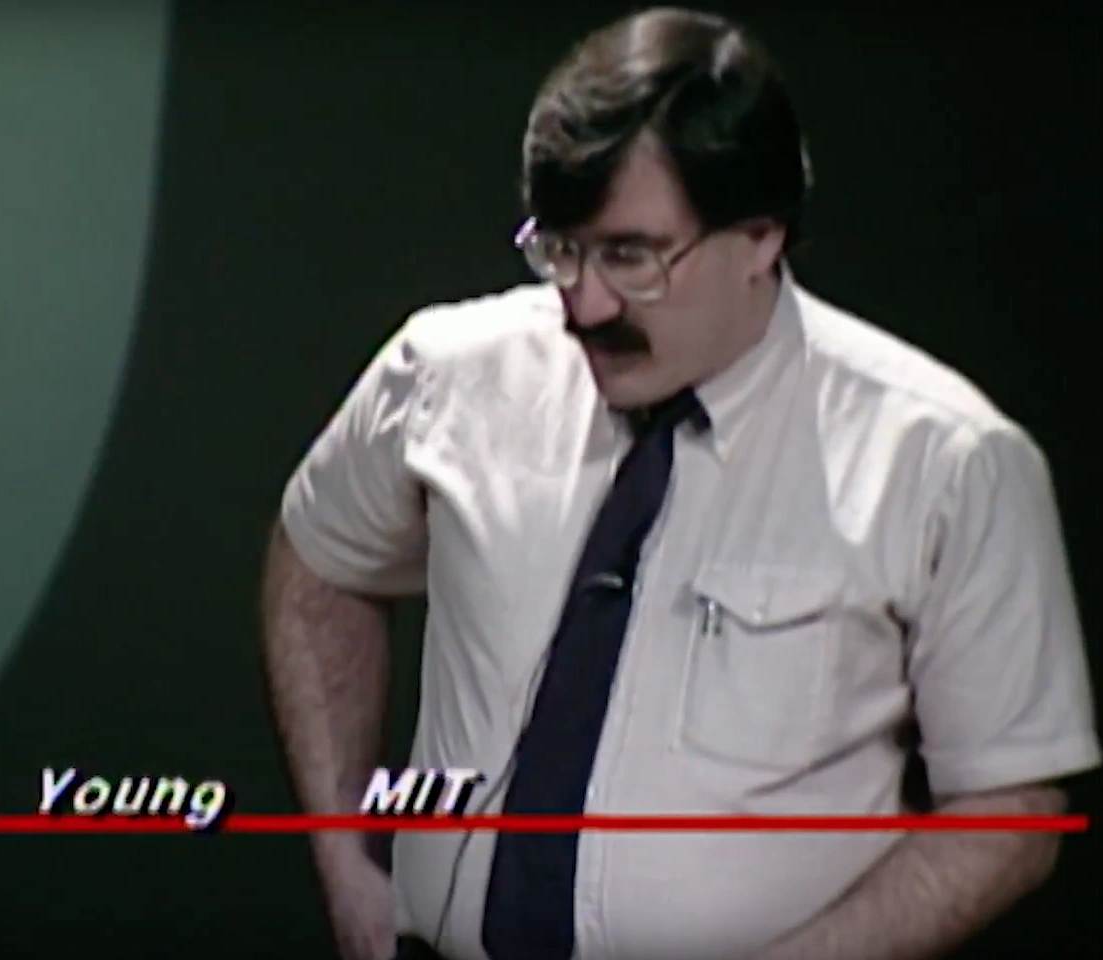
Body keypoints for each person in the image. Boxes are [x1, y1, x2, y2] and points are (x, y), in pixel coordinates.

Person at [260, 8, 1099, 960]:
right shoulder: (448, 375)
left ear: (760, 237)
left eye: (630, 255)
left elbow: (1010, 812)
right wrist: (344, 859)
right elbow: (318, 563)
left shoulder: (945, 463)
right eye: (559, 247)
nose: (584, 303)